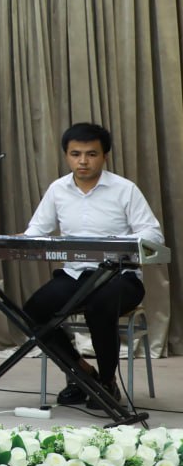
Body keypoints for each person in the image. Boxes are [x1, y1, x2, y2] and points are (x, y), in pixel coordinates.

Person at [21, 122, 163, 406]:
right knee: (32, 312)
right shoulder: (58, 189)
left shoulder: (125, 189)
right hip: (75, 275)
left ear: (104, 156)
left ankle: (107, 382)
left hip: (120, 277)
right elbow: (35, 232)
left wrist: (117, 244)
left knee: (100, 306)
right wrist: (16, 241)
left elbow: (153, 234)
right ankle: (82, 374)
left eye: (91, 154)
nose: (83, 161)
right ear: (66, 156)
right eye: (75, 154)